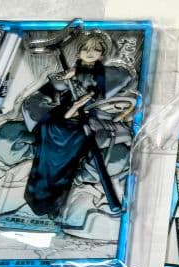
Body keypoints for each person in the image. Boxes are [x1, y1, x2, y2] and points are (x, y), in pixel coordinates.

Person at [19, 30, 132, 218]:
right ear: (78, 53)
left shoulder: (103, 74)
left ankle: (54, 203)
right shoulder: (65, 76)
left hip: (81, 124)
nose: (90, 52)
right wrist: (68, 83)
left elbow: (123, 77)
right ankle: (40, 198)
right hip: (60, 121)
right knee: (49, 153)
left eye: (96, 49)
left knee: (68, 162)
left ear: (102, 54)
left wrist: (80, 73)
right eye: (85, 49)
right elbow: (46, 93)